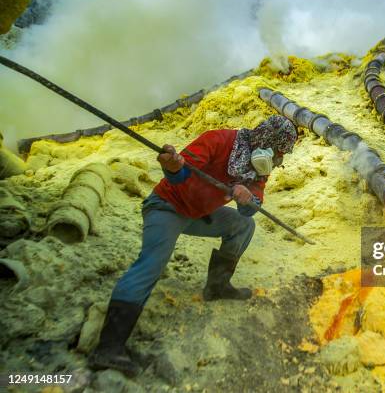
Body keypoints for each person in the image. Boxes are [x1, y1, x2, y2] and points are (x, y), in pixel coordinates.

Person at [88, 115, 298, 376]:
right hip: (168, 207)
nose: (280, 159)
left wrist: (247, 200)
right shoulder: (219, 139)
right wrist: (173, 167)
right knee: (151, 265)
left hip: (198, 215)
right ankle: (108, 349)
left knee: (243, 227)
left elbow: (249, 212)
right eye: (280, 150)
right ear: (267, 141)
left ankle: (217, 286)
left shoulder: (257, 167)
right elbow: (180, 175)